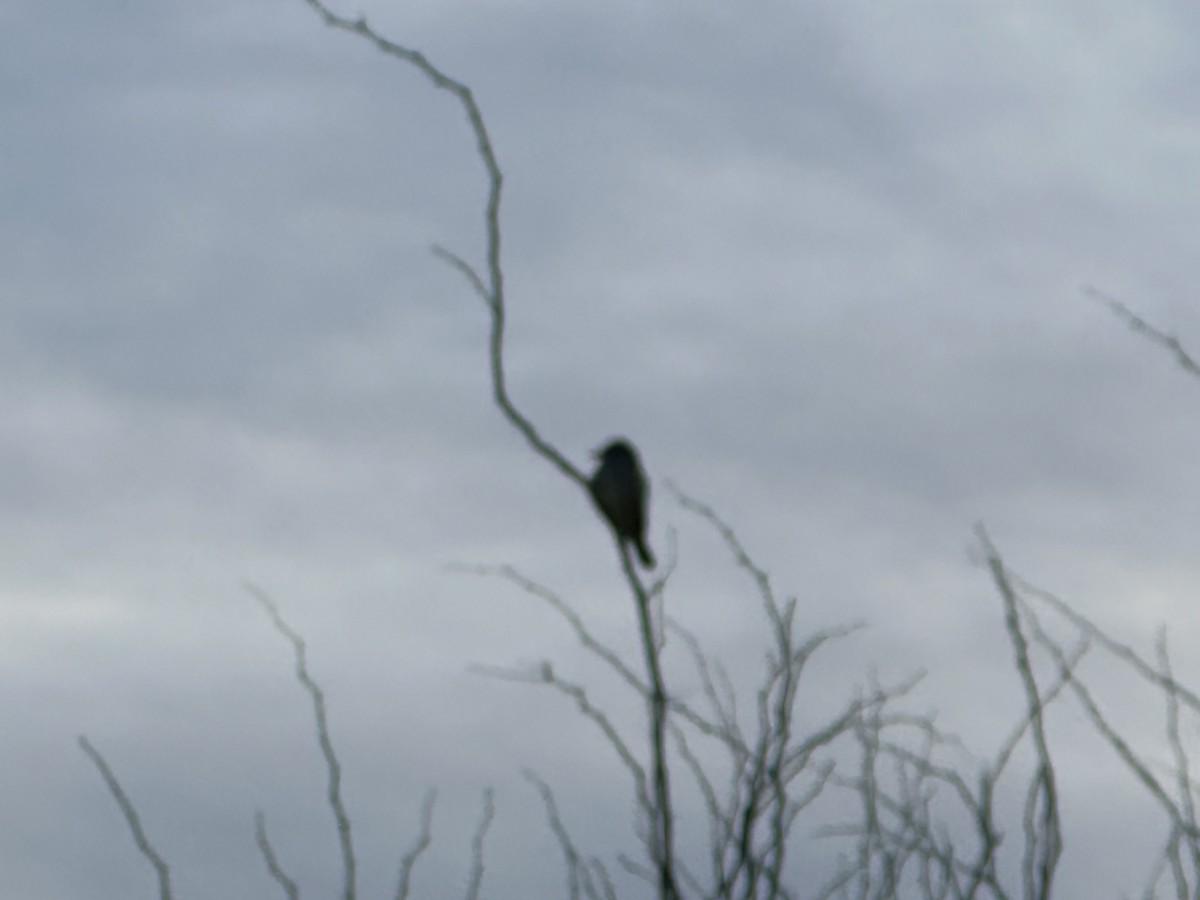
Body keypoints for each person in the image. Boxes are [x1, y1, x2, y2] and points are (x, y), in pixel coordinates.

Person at [588, 439, 655, 569]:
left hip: (628, 516)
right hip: (625, 517)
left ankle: (638, 546)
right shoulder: (632, 473)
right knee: (635, 539)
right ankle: (639, 547)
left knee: (634, 537)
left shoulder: (623, 471)